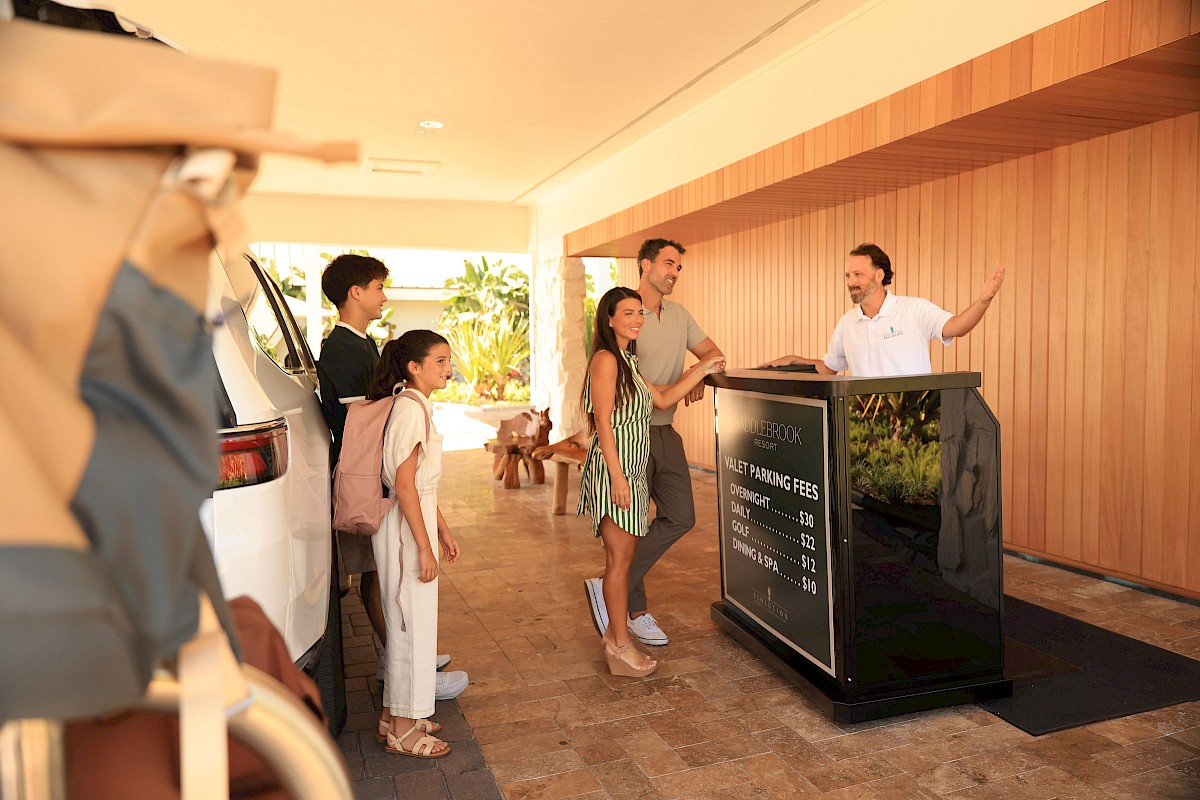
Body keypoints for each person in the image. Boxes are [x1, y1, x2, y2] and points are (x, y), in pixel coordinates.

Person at [317, 255, 454, 693]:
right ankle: (400, 666)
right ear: (355, 292)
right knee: (388, 581)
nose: (383, 296)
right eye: (378, 287)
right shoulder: (343, 348)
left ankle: (402, 659)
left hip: (384, 487)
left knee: (382, 579)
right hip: (378, 488)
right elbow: (369, 427)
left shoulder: (360, 344)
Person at [583, 239, 724, 648]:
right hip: (631, 436)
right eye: (668, 264)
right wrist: (688, 381)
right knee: (632, 524)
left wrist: (697, 375)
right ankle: (635, 611)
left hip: (665, 429)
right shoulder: (624, 324)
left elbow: (712, 355)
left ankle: (612, 583)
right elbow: (612, 406)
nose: (674, 272)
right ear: (645, 265)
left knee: (681, 516)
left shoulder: (677, 315)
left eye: (679, 266)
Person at [367, 331, 467, 757]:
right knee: (411, 626)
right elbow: (404, 484)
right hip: (406, 531)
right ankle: (405, 733)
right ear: (414, 367)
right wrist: (425, 547)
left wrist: (441, 529)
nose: (449, 369)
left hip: (414, 520)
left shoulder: (412, 405)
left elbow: (421, 485)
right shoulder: (409, 409)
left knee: (409, 621)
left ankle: (394, 716)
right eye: (440, 361)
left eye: (448, 360)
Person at [761, 243, 1006, 376]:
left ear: (879, 275)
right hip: (865, 430)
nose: (851, 281)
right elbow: (830, 368)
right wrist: (794, 360)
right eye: (848, 275)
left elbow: (956, 327)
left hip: (910, 427)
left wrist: (983, 300)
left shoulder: (913, 310)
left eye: (858, 274)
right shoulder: (847, 323)